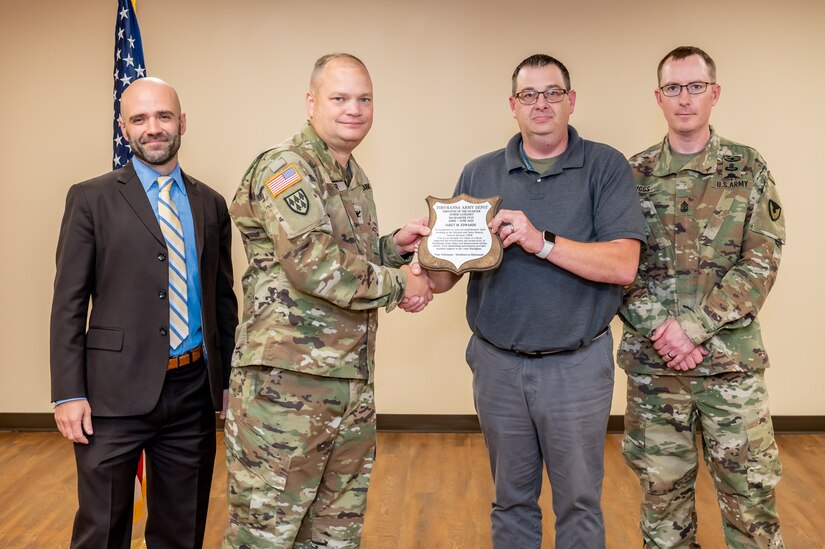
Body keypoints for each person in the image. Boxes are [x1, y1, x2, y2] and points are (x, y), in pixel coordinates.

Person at [426, 54, 646, 549]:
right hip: (497, 366)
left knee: (579, 502)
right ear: (513, 105)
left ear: (571, 101)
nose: (541, 103)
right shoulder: (480, 172)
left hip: (576, 367)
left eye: (552, 93)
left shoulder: (605, 166)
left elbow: (622, 264)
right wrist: (422, 259)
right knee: (510, 501)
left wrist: (540, 240)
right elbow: (446, 278)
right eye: (529, 95)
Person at [224, 53, 432, 548]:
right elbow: (315, 267)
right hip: (287, 390)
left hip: (348, 383)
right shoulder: (286, 169)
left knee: (334, 532)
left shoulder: (352, 176)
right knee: (266, 532)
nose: (354, 109)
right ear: (311, 101)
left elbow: (345, 258)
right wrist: (405, 284)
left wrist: (393, 249)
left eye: (364, 99)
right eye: (339, 98)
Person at [50, 77, 238, 548]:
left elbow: (222, 301)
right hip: (111, 396)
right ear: (124, 128)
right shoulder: (91, 199)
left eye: (163, 116)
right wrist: (68, 392)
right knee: (102, 529)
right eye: (139, 119)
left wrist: (229, 381)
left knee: (182, 529)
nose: (153, 128)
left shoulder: (210, 204)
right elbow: (69, 302)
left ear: (182, 122)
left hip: (193, 391)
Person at [619, 46, 786, 548]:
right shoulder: (631, 174)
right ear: (658, 97)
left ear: (715, 93)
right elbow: (619, 269)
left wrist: (691, 328)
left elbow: (762, 260)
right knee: (662, 509)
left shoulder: (747, 167)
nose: (684, 98)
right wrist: (663, 333)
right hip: (656, 373)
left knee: (751, 505)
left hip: (731, 369)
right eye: (673, 88)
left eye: (695, 86)